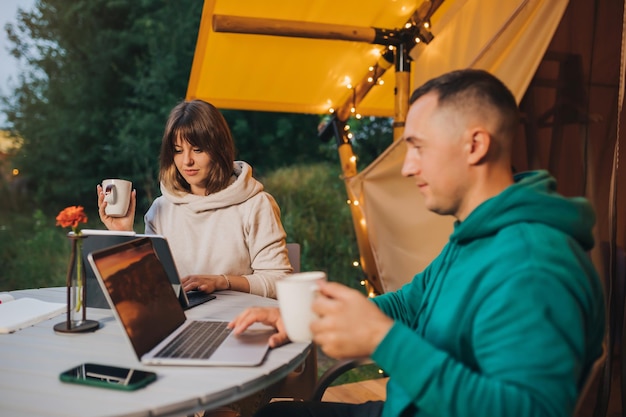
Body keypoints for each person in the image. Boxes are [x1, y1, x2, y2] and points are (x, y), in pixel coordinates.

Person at [228, 69, 606, 417]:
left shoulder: (532, 264)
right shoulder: (475, 234)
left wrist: (382, 340)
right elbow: (410, 305)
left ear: (474, 145)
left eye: (418, 146)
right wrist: (307, 318)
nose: (408, 167)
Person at [97, 99, 292, 298]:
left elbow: (280, 282)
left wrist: (222, 281)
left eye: (198, 150)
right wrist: (123, 235)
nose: (187, 161)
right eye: (178, 151)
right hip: (181, 321)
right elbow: (148, 289)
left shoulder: (255, 205)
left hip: (238, 320)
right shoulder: (160, 209)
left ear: (219, 149)